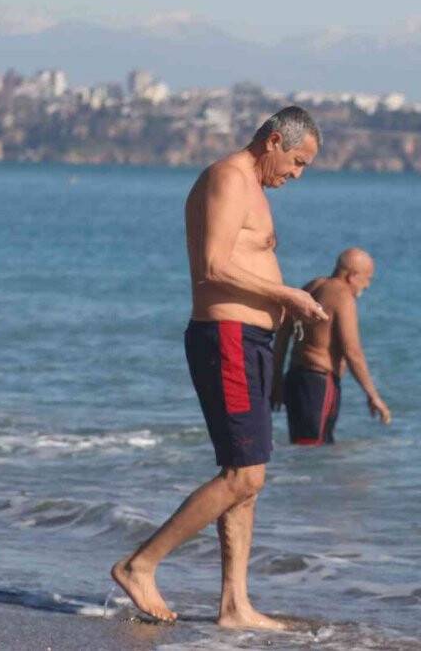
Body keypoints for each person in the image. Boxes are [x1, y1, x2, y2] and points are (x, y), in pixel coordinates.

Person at [110, 107, 328, 629]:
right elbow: (214, 266)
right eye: (297, 162)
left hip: (250, 340)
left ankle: (234, 606)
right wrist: (287, 296)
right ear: (274, 141)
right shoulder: (228, 178)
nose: (297, 175)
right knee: (243, 475)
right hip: (227, 337)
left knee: (249, 474)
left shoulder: (250, 186)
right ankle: (140, 564)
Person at [272, 247, 391, 445]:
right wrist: (373, 395)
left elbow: (283, 336)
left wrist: (276, 379)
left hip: (295, 379)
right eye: (367, 278)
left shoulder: (310, 287)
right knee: (316, 448)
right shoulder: (343, 295)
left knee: (302, 445)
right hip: (319, 383)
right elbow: (352, 351)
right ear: (352, 276)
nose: (368, 285)